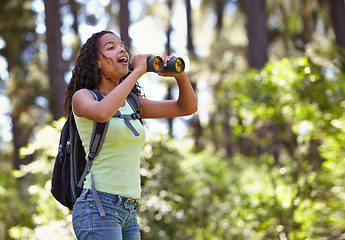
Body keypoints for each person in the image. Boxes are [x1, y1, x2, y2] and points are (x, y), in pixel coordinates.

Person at [63, 30, 197, 239]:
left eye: (122, 45)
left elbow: (185, 108)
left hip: (128, 209)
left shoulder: (131, 104)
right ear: (97, 62)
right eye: (111, 47)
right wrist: (137, 71)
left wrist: (179, 75)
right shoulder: (83, 97)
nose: (121, 49)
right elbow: (102, 113)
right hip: (98, 205)